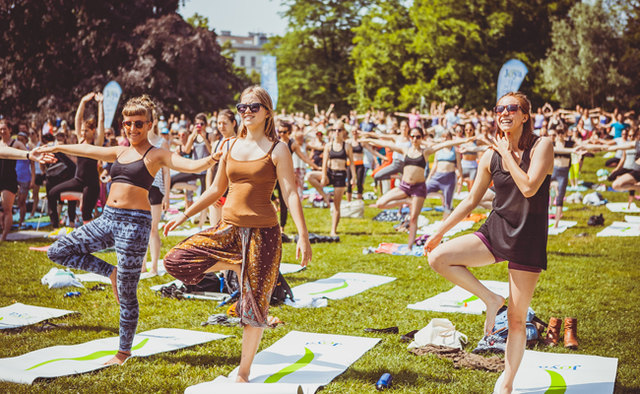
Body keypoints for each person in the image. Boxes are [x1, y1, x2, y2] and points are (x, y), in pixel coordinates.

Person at [37, 95, 220, 365]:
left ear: (149, 125)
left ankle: (123, 352)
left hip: (135, 224)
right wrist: (56, 145)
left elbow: (190, 164)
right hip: (107, 218)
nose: (132, 129)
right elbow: (86, 150)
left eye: (138, 124)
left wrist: (213, 158)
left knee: (127, 291)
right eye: (127, 123)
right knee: (58, 250)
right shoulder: (119, 151)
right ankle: (110, 272)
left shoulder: (155, 153)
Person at [162, 85, 312, 383]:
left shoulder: (277, 148)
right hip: (228, 229)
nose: (246, 112)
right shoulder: (229, 145)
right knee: (175, 260)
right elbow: (216, 190)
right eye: (242, 107)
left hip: (264, 234)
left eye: (253, 107)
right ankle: (237, 263)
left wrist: (303, 235)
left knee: (254, 307)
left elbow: (290, 193)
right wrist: (184, 214)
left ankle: (243, 373)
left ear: (267, 111)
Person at [426, 92, 553, 394]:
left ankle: (506, 383)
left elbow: (529, 186)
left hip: (527, 237)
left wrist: (507, 152)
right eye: (499, 109)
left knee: (517, 319)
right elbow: (470, 200)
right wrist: (439, 231)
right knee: (438, 258)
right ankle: (490, 299)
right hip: (495, 230)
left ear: (525, 116)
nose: (504, 113)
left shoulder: (542, 146)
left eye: (512, 108)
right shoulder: (489, 156)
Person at [365, 127, 470, 247]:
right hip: (404, 186)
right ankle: (406, 201)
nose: (415, 139)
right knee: (380, 204)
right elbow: (386, 143)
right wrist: (368, 140)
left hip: (418, 189)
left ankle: (410, 246)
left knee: (414, 218)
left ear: (422, 138)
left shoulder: (425, 152)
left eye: (418, 137)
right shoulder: (405, 150)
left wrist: (465, 140)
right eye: (413, 136)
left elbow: (445, 143)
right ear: (410, 137)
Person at [47, 92, 105, 228]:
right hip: (78, 180)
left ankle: (90, 238)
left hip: (91, 184)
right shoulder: (80, 141)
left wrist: (100, 104)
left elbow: (101, 122)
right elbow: (78, 120)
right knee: (52, 193)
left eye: (86, 131)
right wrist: (83, 102)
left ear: (93, 131)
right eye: (83, 131)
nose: (83, 133)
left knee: (86, 214)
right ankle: (55, 225)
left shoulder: (96, 143)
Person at [0, 120, 54, 241]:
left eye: (4, 128)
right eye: (0, 129)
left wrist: (29, 155)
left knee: (16, 205)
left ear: (10, 130)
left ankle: (6, 234)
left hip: (13, 178)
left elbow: (9, 153)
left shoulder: (16, 143)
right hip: (7, 177)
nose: (2, 131)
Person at [306, 121, 356, 236]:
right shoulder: (329, 145)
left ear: (343, 132)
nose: (336, 132)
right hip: (330, 172)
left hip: (341, 175)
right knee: (310, 176)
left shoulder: (347, 146)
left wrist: (354, 178)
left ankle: (333, 230)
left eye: (339, 130)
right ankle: (325, 196)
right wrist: (323, 176)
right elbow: (324, 163)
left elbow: (352, 163)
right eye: (334, 130)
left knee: (336, 205)